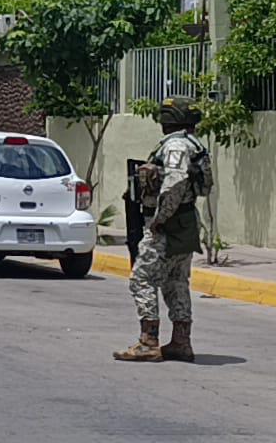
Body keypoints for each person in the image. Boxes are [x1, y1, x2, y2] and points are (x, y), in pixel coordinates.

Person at [114, 96, 212, 363]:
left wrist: (160, 218)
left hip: (168, 225)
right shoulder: (193, 144)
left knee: (142, 278)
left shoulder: (175, 145)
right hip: (185, 222)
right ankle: (181, 342)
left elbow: (175, 181)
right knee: (176, 281)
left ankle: (148, 342)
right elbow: (202, 187)